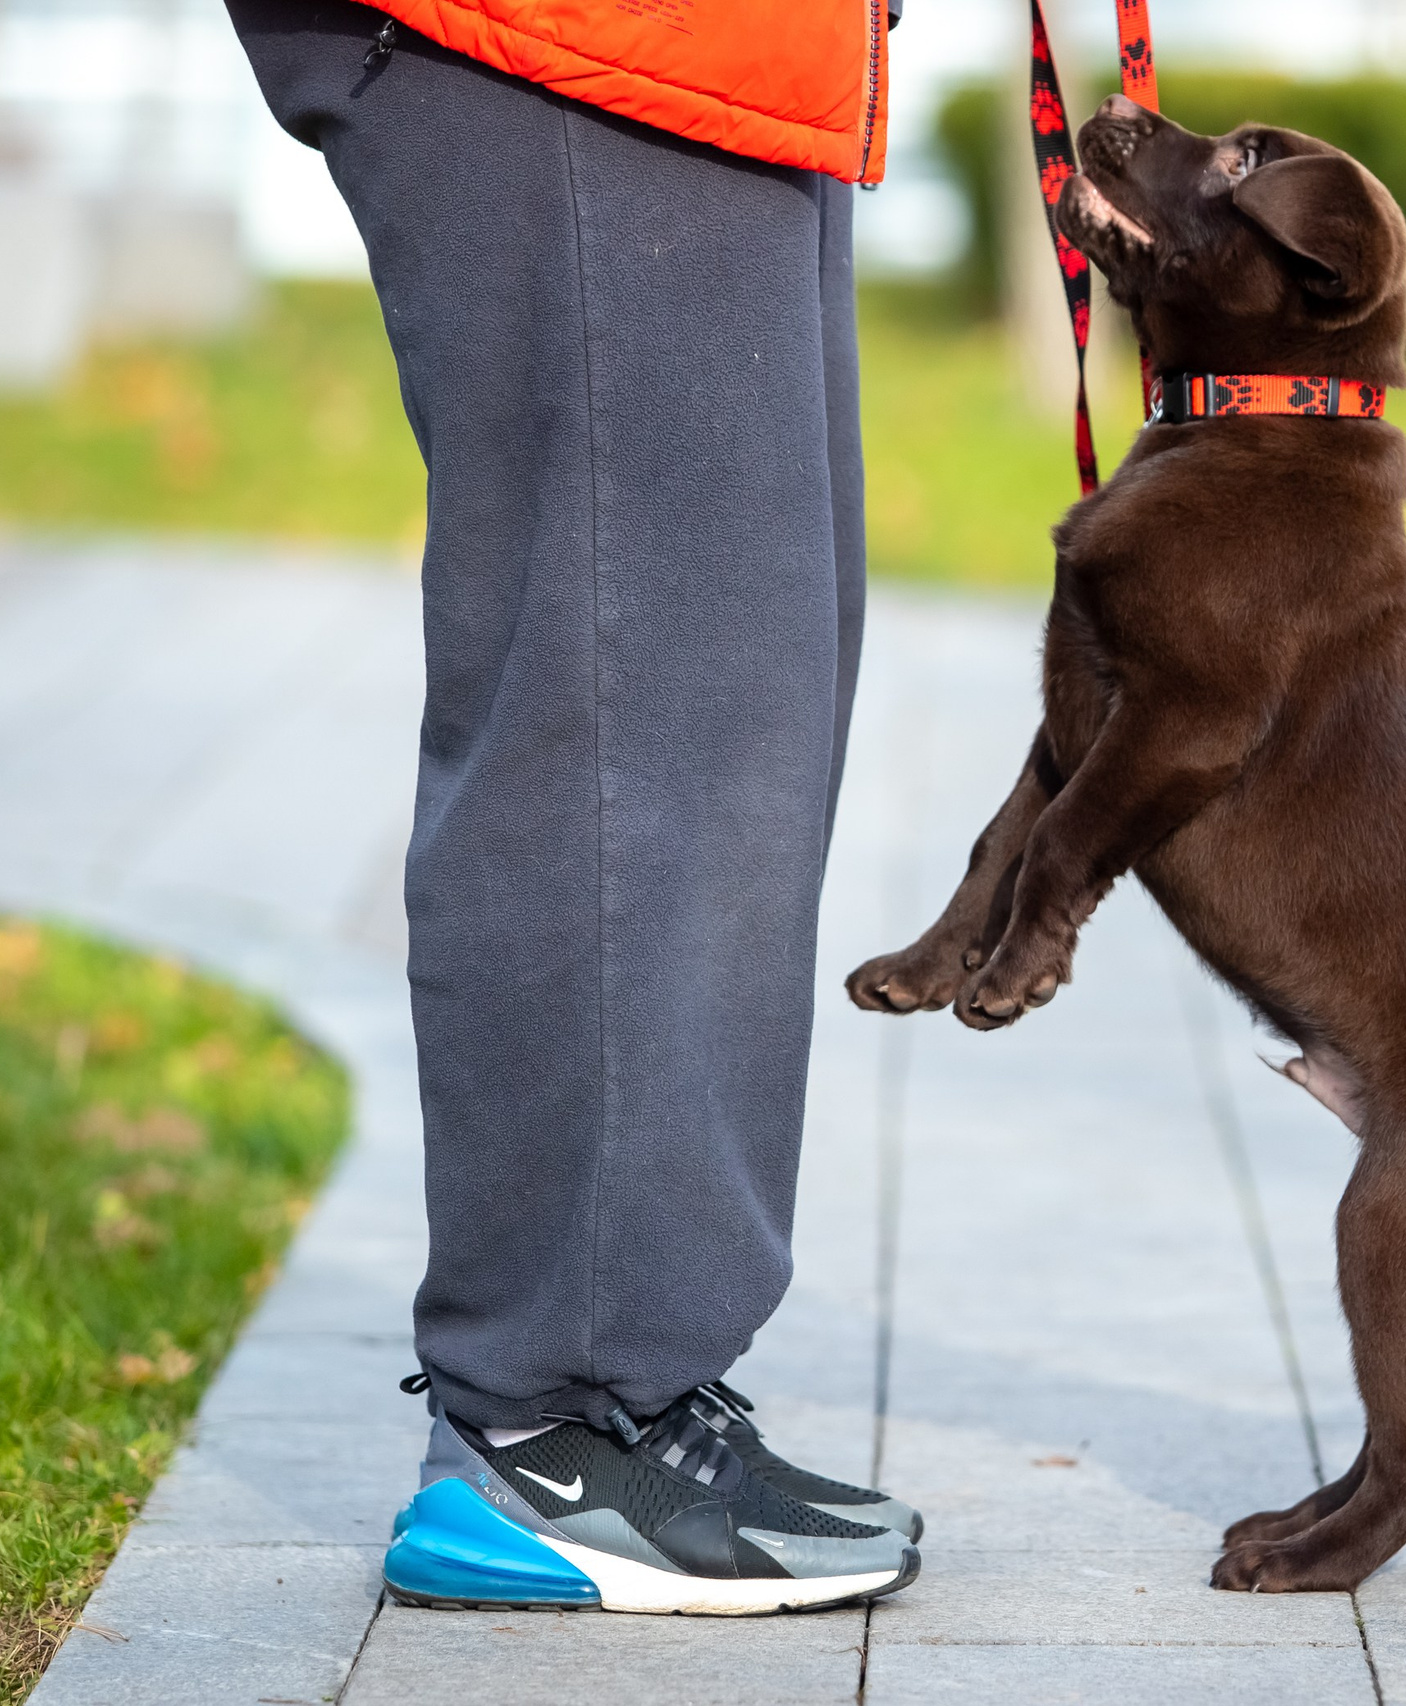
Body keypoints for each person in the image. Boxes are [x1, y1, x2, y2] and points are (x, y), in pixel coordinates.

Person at [225, 0, 924, 1613]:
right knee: (628, 702)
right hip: (564, 40)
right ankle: (551, 1420)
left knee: (721, 695)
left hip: (711, 53)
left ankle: (623, 1390)